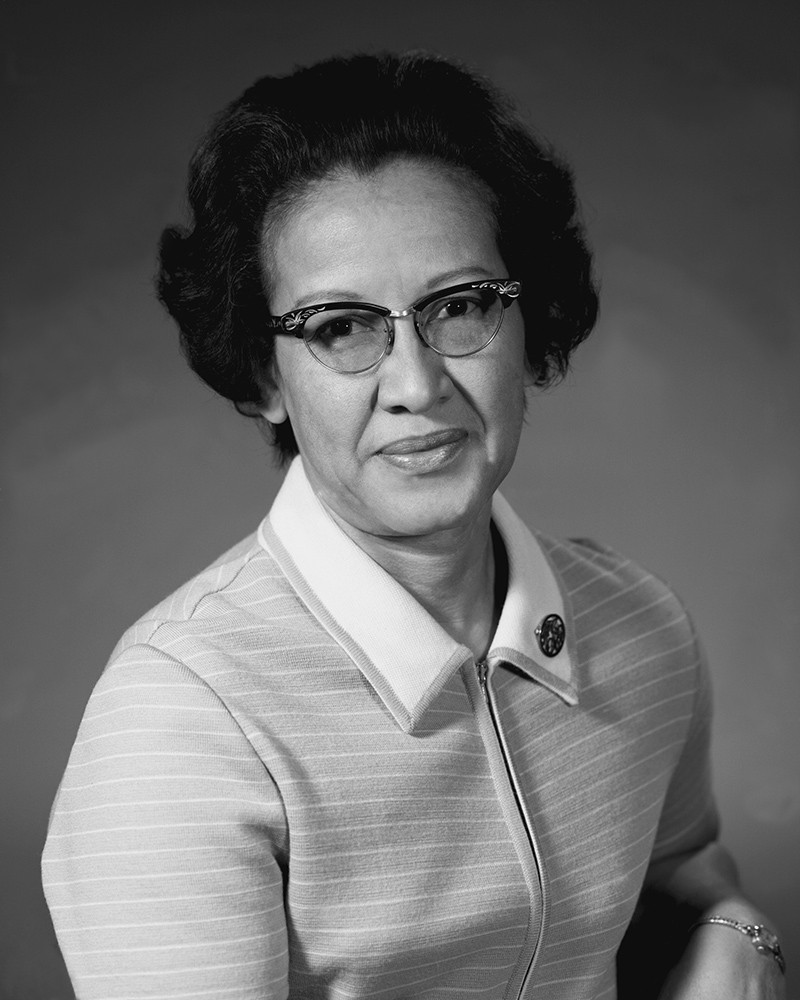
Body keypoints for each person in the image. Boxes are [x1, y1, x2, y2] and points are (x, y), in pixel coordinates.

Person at [41, 51, 786, 1000]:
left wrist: (740, 930)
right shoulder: (177, 723)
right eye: (340, 328)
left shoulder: (645, 627)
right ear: (267, 377)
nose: (418, 383)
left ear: (530, 320)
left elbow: (684, 874)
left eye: (461, 305)